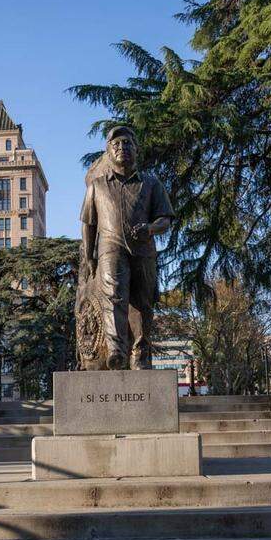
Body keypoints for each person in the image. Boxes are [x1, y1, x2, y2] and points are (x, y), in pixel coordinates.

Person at [79, 126, 174, 369]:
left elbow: (166, 219)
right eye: (116, 145)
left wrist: (150, 229)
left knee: (143, 303)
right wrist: (90, 256)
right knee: (114, 295)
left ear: (137, 150)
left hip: (144, 249)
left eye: (127, 144)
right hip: (110, 246)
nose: (122, 148)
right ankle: (116, 349)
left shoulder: (152, 184)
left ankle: (139, 354)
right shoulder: (97, 186)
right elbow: (89, 223)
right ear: (108, 152)